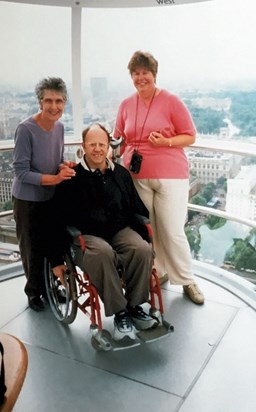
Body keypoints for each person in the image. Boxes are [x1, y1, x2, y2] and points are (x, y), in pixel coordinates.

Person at [46, 123, 158, 340]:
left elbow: (136, 207)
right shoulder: (71, 178)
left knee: (142, 249)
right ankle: (120, 312)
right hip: (86, 235)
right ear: (83, 146)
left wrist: (143, 227)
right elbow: (55, 220)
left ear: (108, 147)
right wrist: (55, 259)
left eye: (102, 144)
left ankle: (135, 306)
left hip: (118, 230)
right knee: (103, 253)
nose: (97, 149)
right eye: (92, 144)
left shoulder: (121, 174)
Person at [114, 50, 204, 305]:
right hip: (138, 176)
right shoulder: (126, 105)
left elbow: (190, 135)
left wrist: (166, 141)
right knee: (148, 229)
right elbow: (119, 137)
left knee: (173, 230)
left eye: (145, 73)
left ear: (154, 74)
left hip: (171, 175)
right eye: (136, 73)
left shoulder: (171, 101)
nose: (141, 78)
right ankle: (161, 271)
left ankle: (187, 280)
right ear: (131, 76)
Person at [12, 77, 76, 312]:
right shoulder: (25, 129)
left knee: (51, 245)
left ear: (65, 102)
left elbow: (56, 159)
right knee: (31, 249)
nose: (53, 106)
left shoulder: (59, 127)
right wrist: (55, 179)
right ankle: (34, 292)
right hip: (27, 200)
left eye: (59, 101)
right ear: (40, 102)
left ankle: (50, 288)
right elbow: (21, 172)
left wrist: (63, 166)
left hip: (51, 197)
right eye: (48, 100)